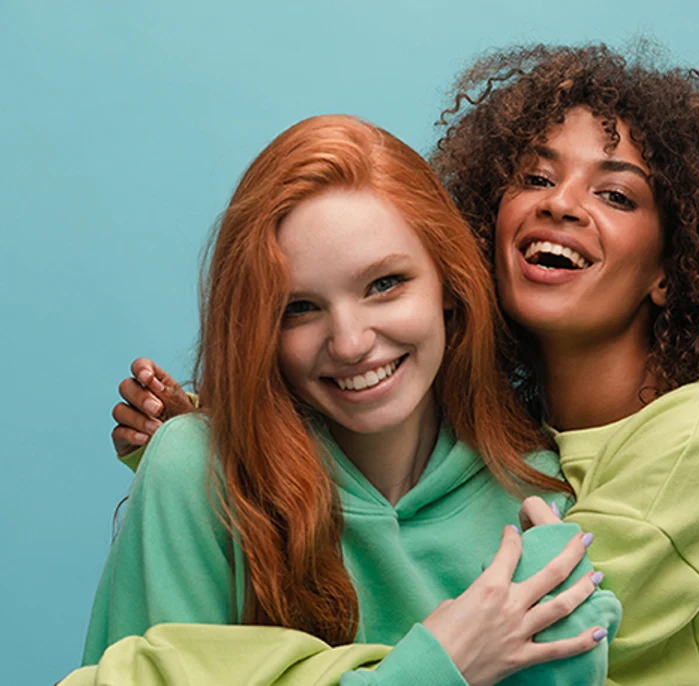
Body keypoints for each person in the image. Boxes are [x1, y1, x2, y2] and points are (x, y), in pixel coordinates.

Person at [91, 42, 699, 685]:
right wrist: (225, 453)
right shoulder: (536, 441)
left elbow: (509, 645)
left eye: (617, 195)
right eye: (535, 177)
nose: (561, 203)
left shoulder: (686, 445)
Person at [67, 115, 620, 686]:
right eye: (298, 309)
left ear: (449, 289)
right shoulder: (198, 473)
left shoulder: (535, 489)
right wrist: (438, 667)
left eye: (385, 285)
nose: (351, 343)